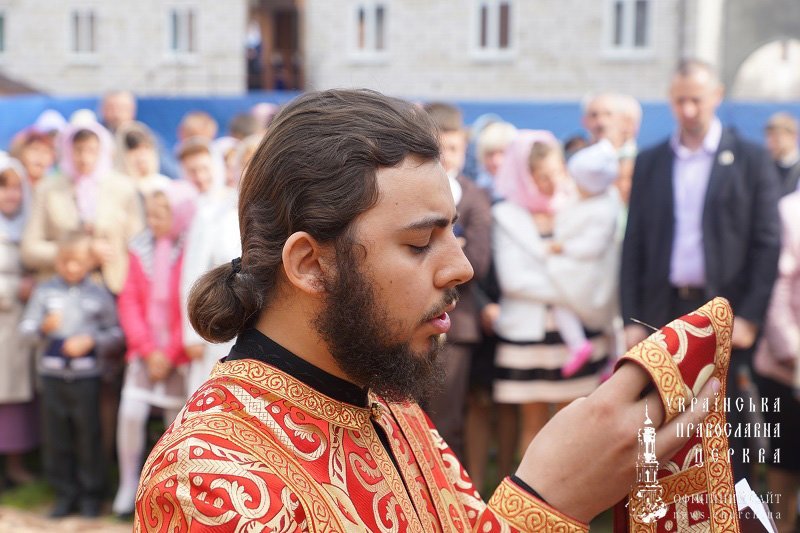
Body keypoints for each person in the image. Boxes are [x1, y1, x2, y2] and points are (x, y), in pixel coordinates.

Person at [135, 89, 719, 532]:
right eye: (420, 243)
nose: (461, 267)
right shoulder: (208, 477)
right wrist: (548, 501)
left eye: (453, 233)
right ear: (310, 264)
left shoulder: (388, 399)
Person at [621, 58, 782, 482]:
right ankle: (660, 510)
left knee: (727, 427)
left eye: (696, 99)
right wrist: (630, 319)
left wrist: (749, 316)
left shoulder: (750, 159)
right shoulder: (651, 161)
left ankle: (733, 508)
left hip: (724, 315)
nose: (688, 109)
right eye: (680, 101)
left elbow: (767, 243)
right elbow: (634, 243)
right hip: (661, 312)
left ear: (717, 96)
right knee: (660, 424)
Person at [491, 133, 610, 461]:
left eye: (557, 172)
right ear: (525, 176)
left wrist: (570, 283)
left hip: (578, 331)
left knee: (577, 424)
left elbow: (594, 263)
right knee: (533, 424)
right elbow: (514, 280)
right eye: (543, 177)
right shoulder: (506, 214)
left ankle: (577, 493)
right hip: (530, 335)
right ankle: (529, 494)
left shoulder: (578, 205)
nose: (552, 183)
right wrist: (570, 286)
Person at [19, 234, 124, 517]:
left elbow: (116, 333)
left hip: (86, 378)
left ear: (89, 262)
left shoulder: (98, 294)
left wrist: (92, 341)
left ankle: (92, 496)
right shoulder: (44, 292)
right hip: (52, 377)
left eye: (78, 262)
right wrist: (42, 328)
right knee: (57, 439)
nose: (71, 268)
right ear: (57, 262)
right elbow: (25, 330)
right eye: (65, 262)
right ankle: (64, 495)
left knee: (89, 437)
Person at [113, 183, 197, 517]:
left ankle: (169, 491)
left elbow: (189, 299)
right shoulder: (140, 247)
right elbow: (129, 301)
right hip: (145, 350)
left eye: (161, 214)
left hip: (176, 354)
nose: (153, 221)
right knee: (130, 413)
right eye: (149, 214)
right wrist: (148, 351)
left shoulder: (191, 247)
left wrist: (171, 352)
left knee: (174, 422)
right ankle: (127, 484)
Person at [421, 102, 491, 461]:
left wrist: (426, 247)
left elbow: (476, 261)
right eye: (440, 148)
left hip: (456, 323)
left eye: (454, 148)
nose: (447, 157)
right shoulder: (412, 192)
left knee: (446, 427)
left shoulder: (475, 196)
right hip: (409, 318)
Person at [549, 139, 622, 378]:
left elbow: (593, 245)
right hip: (582, 269)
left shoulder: (605, 206)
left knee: (610, 319)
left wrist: (564, 247)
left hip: (592, 272)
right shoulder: (586, 197)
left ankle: (611, 355)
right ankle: (584, 346)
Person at [752, 189, 800, 533]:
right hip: (787, 369)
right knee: (784, 465)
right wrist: (794, 353)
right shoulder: (789, 211)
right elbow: (776, 290)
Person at [0, 155, 37, 488]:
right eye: (3, 187)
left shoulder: (27, 224)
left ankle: (15, 465)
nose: (10, 195)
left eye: (15, 188)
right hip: (5, 314)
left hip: (16, 326)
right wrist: (14, 288)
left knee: (13, 397)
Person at [114, 122, 172, 196]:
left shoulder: (164, 185)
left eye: (145, 148)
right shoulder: (115, 186)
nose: (141, 155)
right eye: (134, 149)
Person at [764, 111, 800, 195]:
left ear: (793, 136)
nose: (771, 144)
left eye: (776, 138)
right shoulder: (766, 168)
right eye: (768, 137)